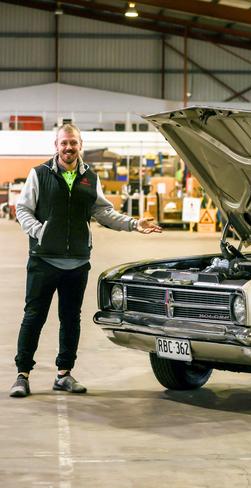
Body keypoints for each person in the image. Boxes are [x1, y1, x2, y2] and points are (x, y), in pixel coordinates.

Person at [9, 124, 162, 398]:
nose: (69, 148)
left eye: (74, 143)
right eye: (64, 143)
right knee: (34, 317)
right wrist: (41, 231)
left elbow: (103, 212)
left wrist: (134, 224)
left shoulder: (90, 177)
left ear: (80, 145)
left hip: (77, 262)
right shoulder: (39, 174)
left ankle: (64, 374)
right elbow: (23, 209)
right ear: (56, 145)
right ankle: (22, 375)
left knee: (71, 319)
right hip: (44, 260)